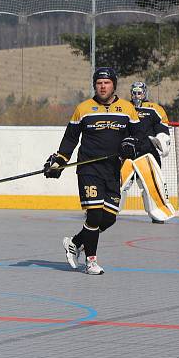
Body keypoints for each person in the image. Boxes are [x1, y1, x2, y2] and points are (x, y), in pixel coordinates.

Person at [43, 66, 146, 275]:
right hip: (88, 168)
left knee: (108, 218)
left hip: (112, 170)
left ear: (114, 85)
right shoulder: (83, 109)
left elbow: (139, 136)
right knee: (94, 215)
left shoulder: (127, 109)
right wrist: (59, 161)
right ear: (94, 85)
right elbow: (70, 138)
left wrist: (130, 144)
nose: (102, 86)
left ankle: (75, 242)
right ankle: (91, 262)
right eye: (99, 83)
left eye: (106, 83)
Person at [123, 81, 174, 223]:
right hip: (126, 153)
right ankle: (106, 210)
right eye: (134, 92)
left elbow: (162, 127)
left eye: (139, 92)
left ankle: (158, 212)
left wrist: (162, 139)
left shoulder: (155, 109)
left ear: (145, 93)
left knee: (151, 184)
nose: (136, 95)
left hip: (148, 154)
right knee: (120, 183)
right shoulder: (125, 107)